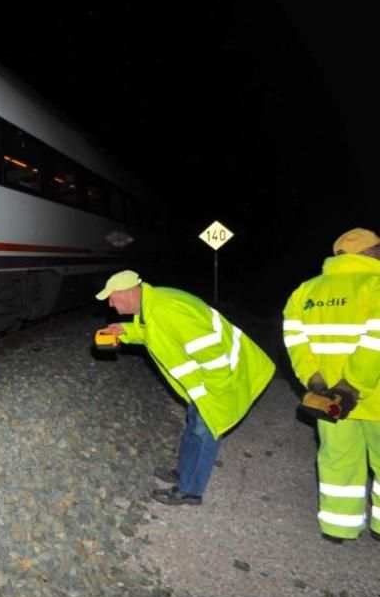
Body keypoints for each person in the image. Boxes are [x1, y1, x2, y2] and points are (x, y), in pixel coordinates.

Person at [96, 270, 275, 506]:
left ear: (128, 292)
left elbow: (210, 351)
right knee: (195, 425)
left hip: (221, 377)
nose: (110, 303)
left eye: (112, 297)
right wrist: (125, 331)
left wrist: (216, 390)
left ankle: (190, 491)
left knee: (204, 431)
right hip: (205, 380)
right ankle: (183, 473)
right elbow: (156, 334)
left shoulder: (166, 308)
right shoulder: (152, 304)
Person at [282, 227, 380, 544]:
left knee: (337, 459)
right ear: (369, 252)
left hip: (328, 399)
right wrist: (351, 386)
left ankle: (338, 527)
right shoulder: (375, 286)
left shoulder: (305, 291)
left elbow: (295, 342)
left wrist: (315, 381)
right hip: (373, 397)